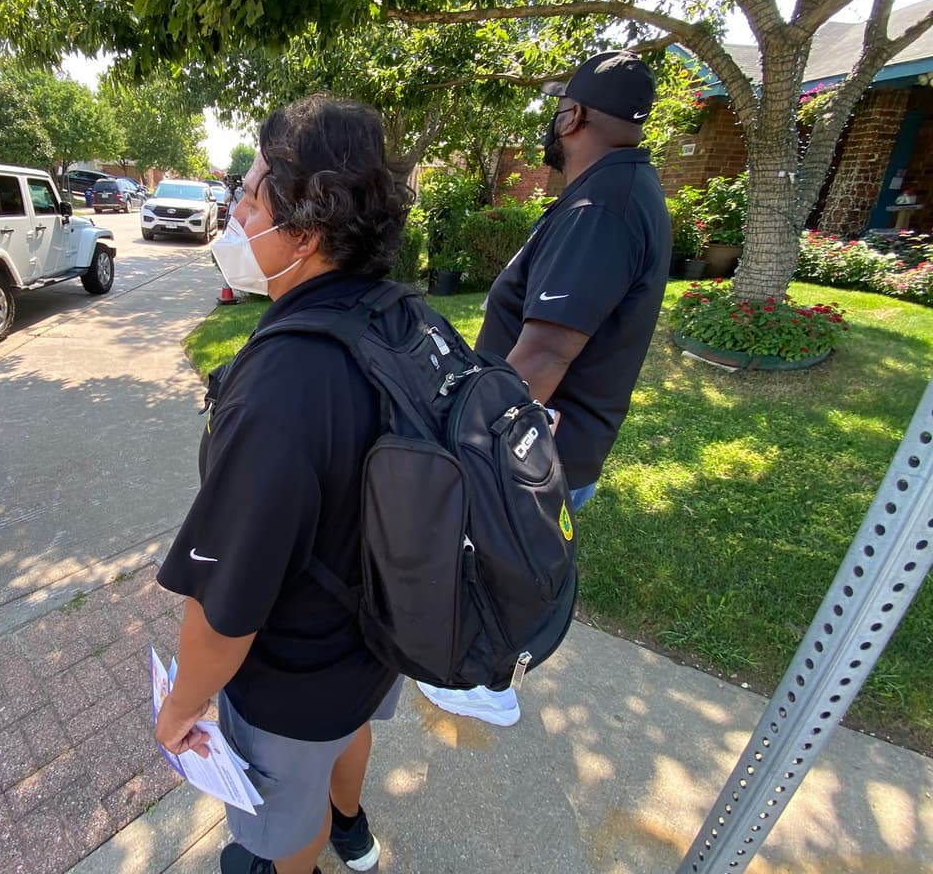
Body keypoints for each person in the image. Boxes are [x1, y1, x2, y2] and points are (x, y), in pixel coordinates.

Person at [154, 95, 412, 874]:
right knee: (348, 733)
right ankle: (349, 827)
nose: (233, 206)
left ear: (302, 232)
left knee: (276, 831)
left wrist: (180, 708)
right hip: (376, 644)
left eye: (250, 192)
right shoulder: (400, 313)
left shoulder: (282, 387)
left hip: (292, 676)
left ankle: (295, 854)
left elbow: (227, 607)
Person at [418, 50, 672, 723]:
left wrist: (458, 450)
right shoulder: (616, 191)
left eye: (558, 107)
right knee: (498, 573)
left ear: (574, 115)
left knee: (495, 577)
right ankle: (483, 672)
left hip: (523, 458)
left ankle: (481, 681)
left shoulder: (603, 206)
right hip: (543, 452)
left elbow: (545, 354)